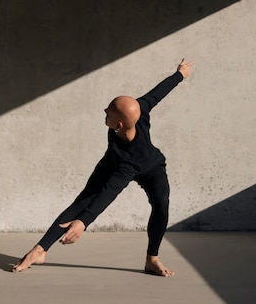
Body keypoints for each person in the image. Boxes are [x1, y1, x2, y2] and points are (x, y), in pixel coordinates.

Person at [12, 59, 194, 277]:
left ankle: (152, 259)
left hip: (149, 165)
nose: (104, 111)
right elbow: (158, 92)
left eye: (108, 112)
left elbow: (108, 194)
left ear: (118, 125)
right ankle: (39, 250)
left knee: (161, 204)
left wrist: (83, 223)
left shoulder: (127, 163)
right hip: (112, 161)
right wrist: (180, 75)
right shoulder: (139, 108)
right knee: (82, 200)